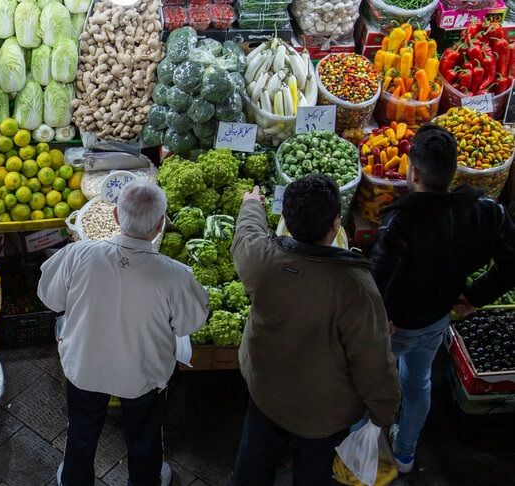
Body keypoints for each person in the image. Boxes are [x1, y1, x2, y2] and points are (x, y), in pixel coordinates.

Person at [230, 177, 400, 486]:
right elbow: (373, 362)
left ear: (287, 222)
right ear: (337, 223)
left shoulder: (262, 260)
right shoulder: (355, 288)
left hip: (265, 390)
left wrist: (252, 206)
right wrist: (383, 412)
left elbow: (247, 235)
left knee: (254, 460)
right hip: (323, 414)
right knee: (312, 472)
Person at [38, 181, 209, 486]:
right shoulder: (176, 275)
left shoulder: (78, 254)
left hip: (85, 367)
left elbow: (50, 299)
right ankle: (146, 480)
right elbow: (188, 325)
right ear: (160, 226)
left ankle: (75, 479)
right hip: (142, 375)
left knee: (81, 430)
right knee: (145, 437)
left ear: (115, 216)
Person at [371, 124, 515, 473]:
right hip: (437, 319)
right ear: (454, 170)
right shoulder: (486, 211)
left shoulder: (400, 223)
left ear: (413, 171)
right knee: (418, 382)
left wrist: (381, 320)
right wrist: (477, 295)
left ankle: (366, 450)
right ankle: (405, 454)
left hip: (395, 326)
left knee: (374, 383)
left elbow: (379, 284)